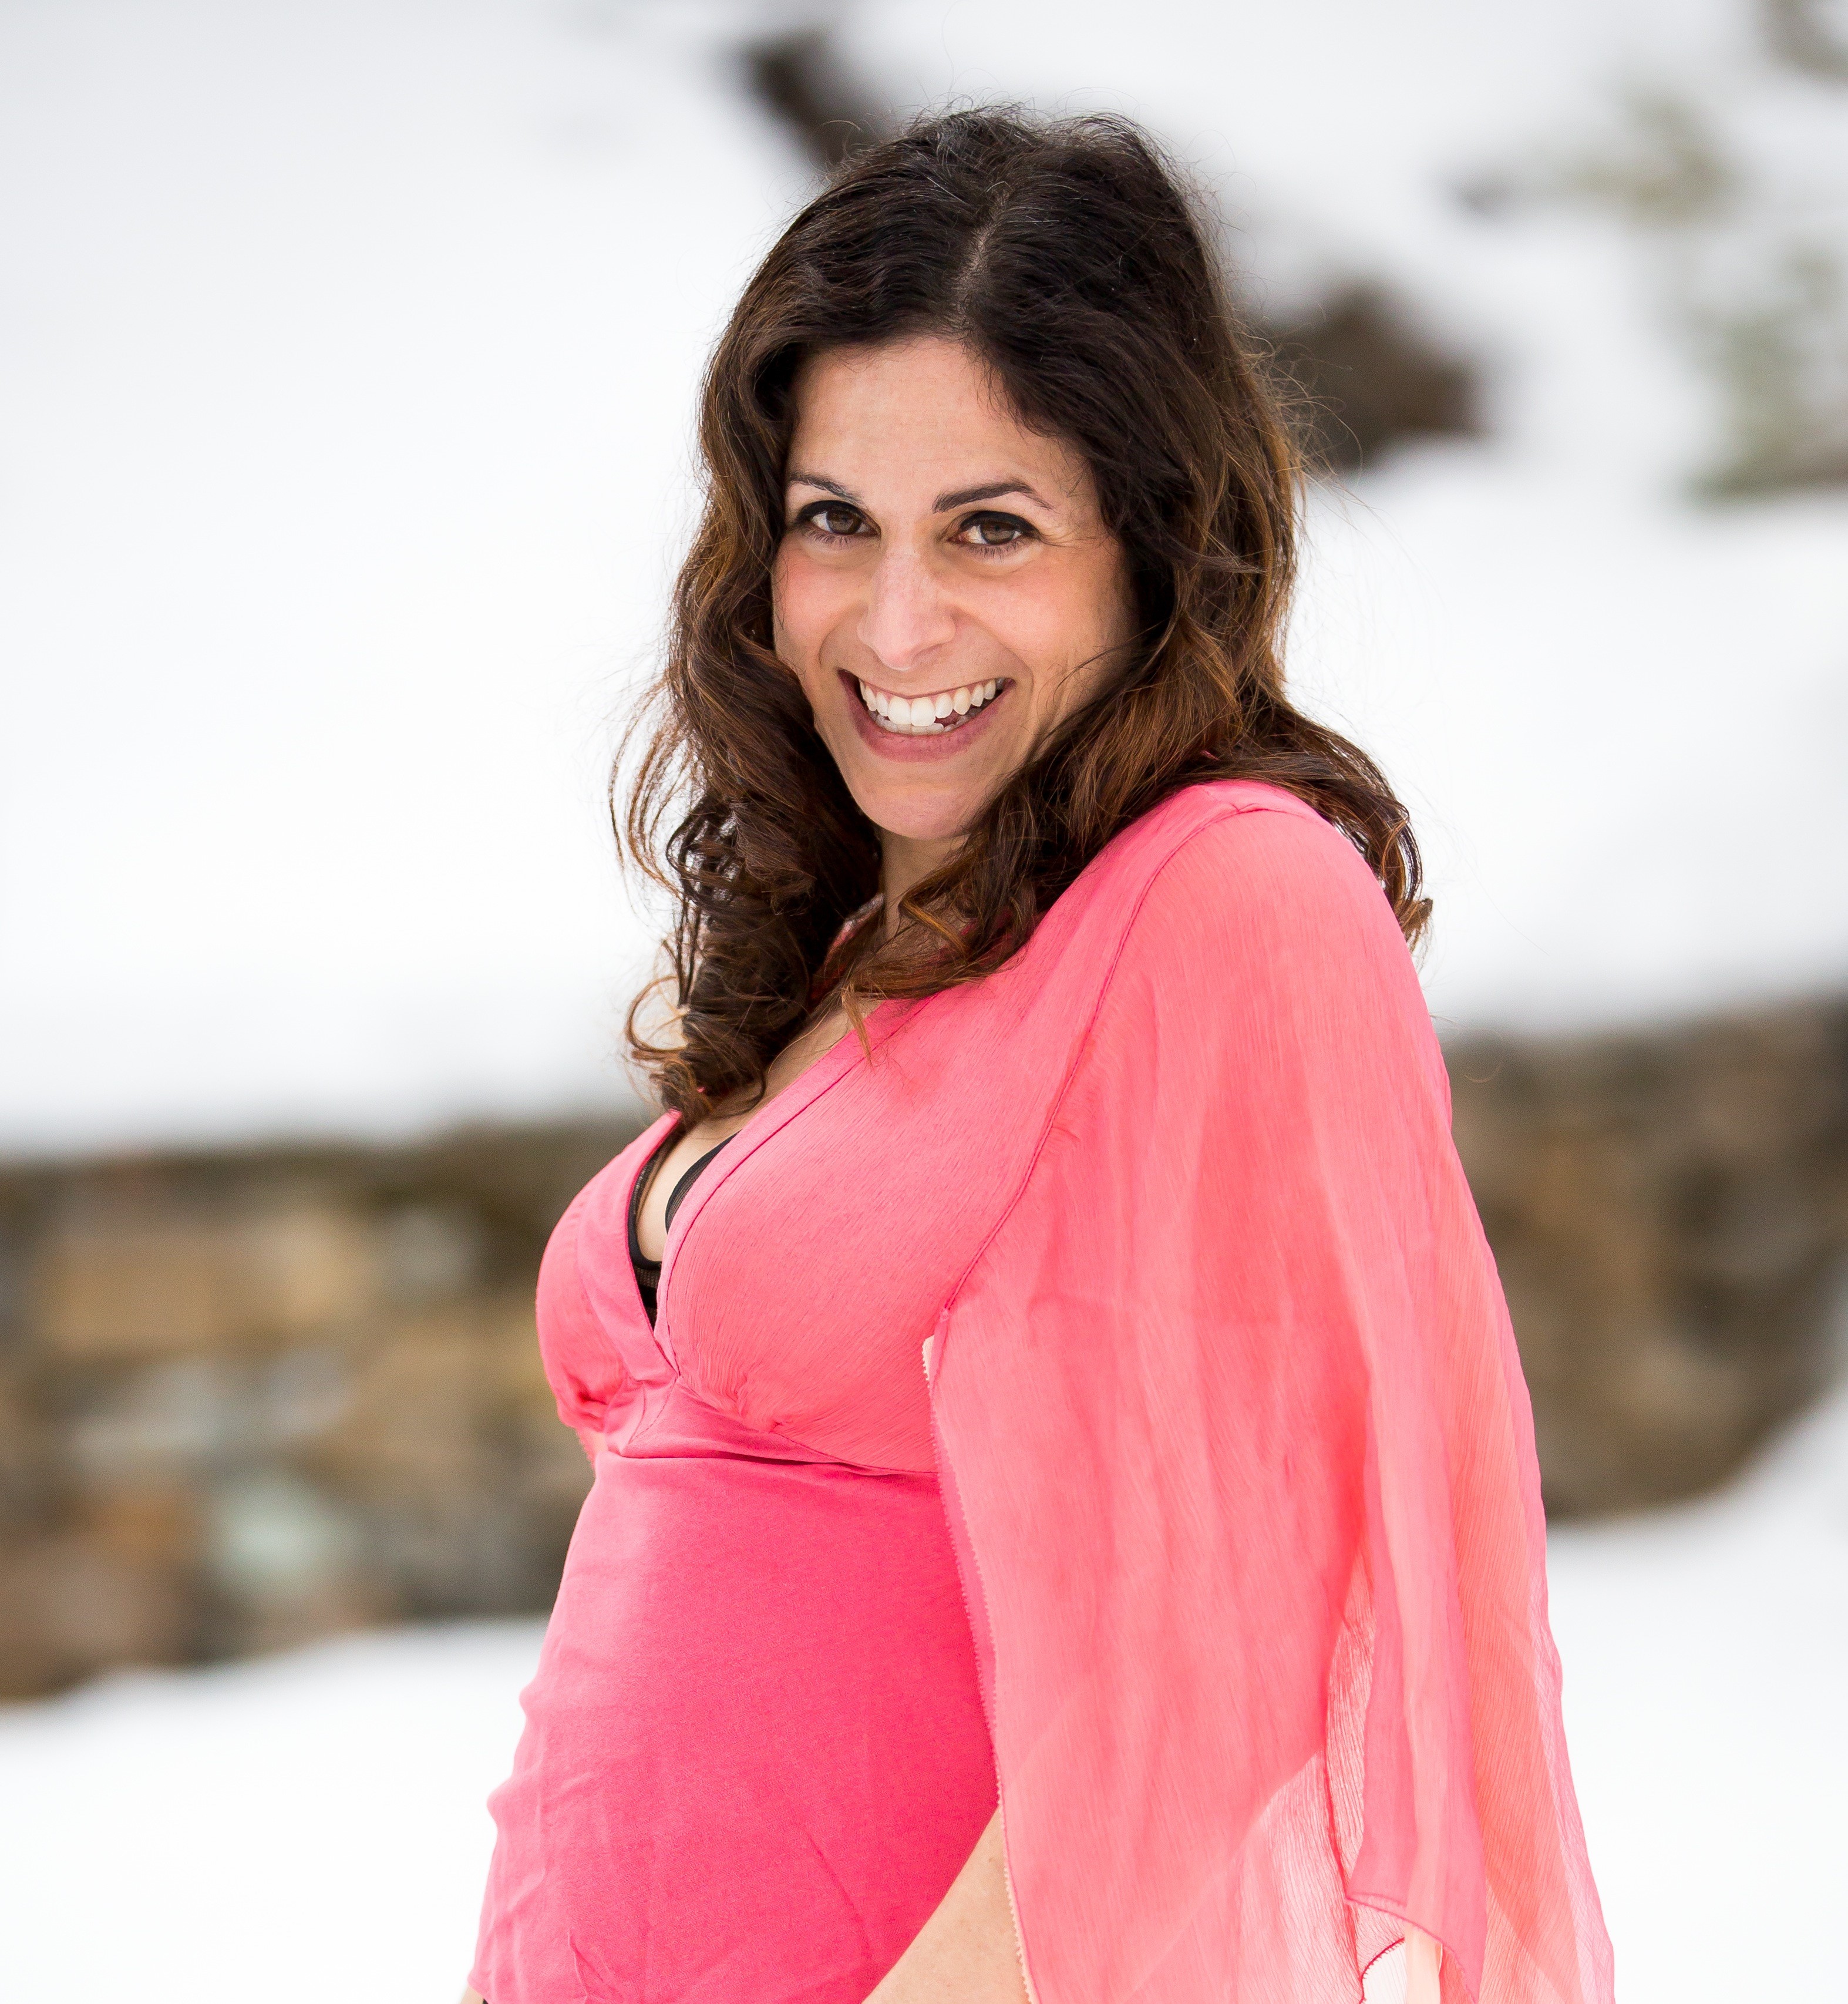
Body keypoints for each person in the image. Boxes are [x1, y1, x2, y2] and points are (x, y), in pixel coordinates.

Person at [463, 109, 1614, 2004]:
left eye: (989, 528)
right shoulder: (870, 937)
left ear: (1149, 551)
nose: (895, 620)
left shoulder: (1224, 893)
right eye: (834, 521)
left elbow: (1225, 1635)